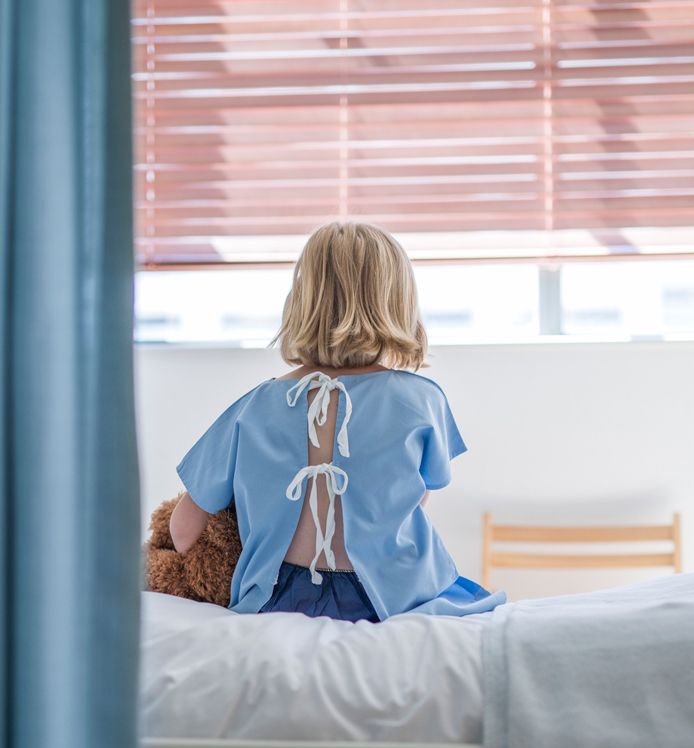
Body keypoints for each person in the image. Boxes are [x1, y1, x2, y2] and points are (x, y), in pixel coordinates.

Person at [169, 222, 504, 622]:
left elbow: (184, 532)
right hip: (392, 598)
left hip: (277, 599)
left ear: (301, 302)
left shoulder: (253, 407)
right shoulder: (422, 400)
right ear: (398, 303)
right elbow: (413, 499)